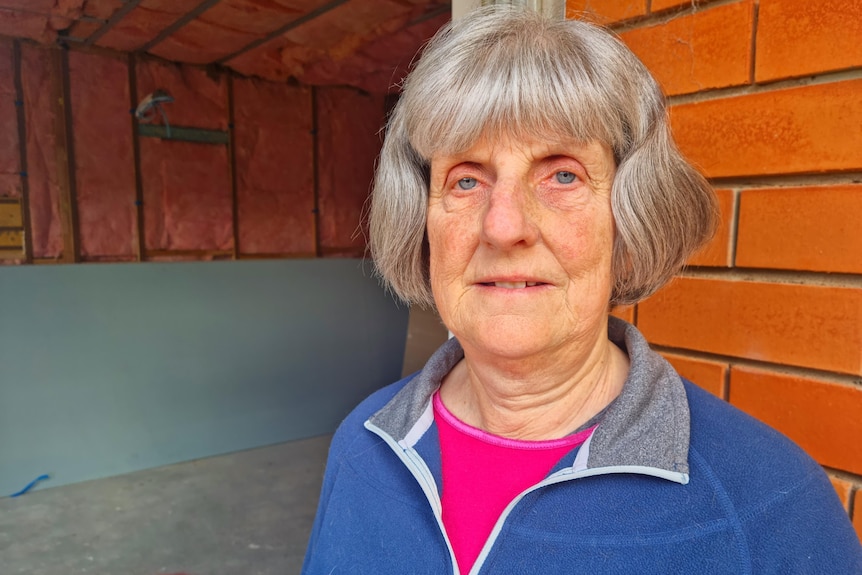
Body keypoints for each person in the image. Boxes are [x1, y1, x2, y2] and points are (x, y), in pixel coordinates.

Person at [302, 7, 862, 574]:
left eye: (562, 174)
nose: (503, 226)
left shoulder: (773, 508)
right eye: (466, 179)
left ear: (629, 216)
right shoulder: (365, 447)